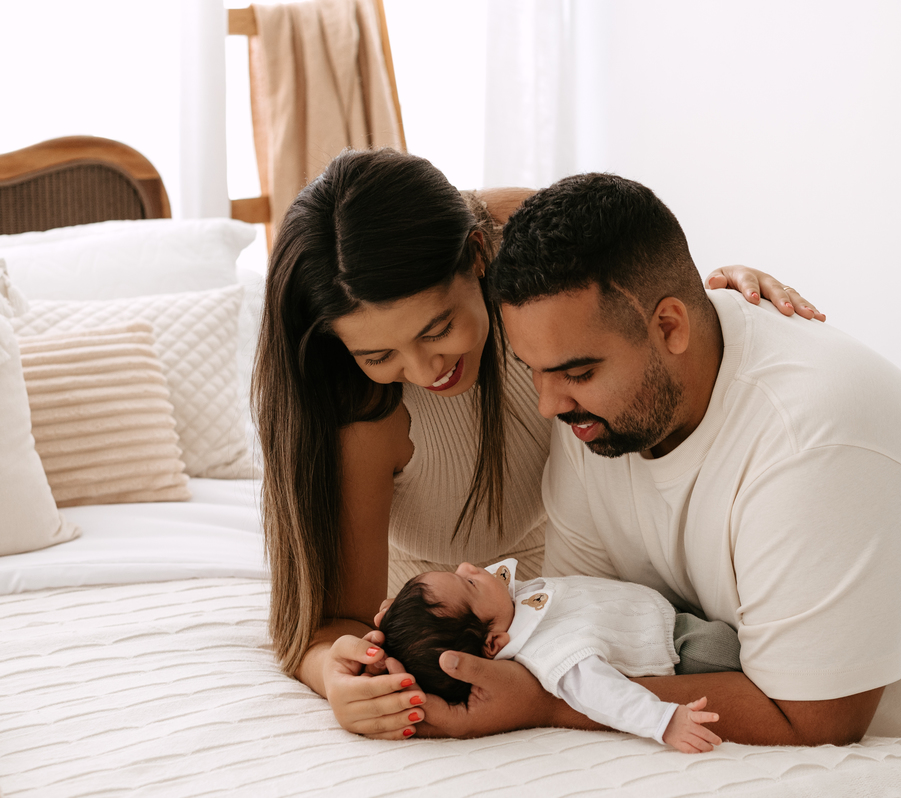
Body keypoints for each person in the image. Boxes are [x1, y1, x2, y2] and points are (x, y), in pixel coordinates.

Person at [412, 172, 901, 798]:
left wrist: (548, 698)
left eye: (578, 373)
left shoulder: (815, 439)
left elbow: (813, 717)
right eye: (534, 370)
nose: (549, 405)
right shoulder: (596, 414)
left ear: (670, 326)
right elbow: (584, 612)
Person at [251, 148, 818, 739]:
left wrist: (726, 309)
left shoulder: (521, 239)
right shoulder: (360, 417)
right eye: (378, 355)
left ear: (476, 256)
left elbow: (648, 309)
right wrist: (335, 673)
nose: (423, 371)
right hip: (474, 631)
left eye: (438, 329)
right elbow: (329, 623)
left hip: (609, 590)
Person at [380, 558, 732, 753]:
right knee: (739, 655)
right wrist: (663, 722)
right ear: (492, 644)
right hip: (681, 645)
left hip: (667, 615)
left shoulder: (508, 608)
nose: (468, 566)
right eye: (469, 584)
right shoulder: (550, 654)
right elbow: (603, 693)